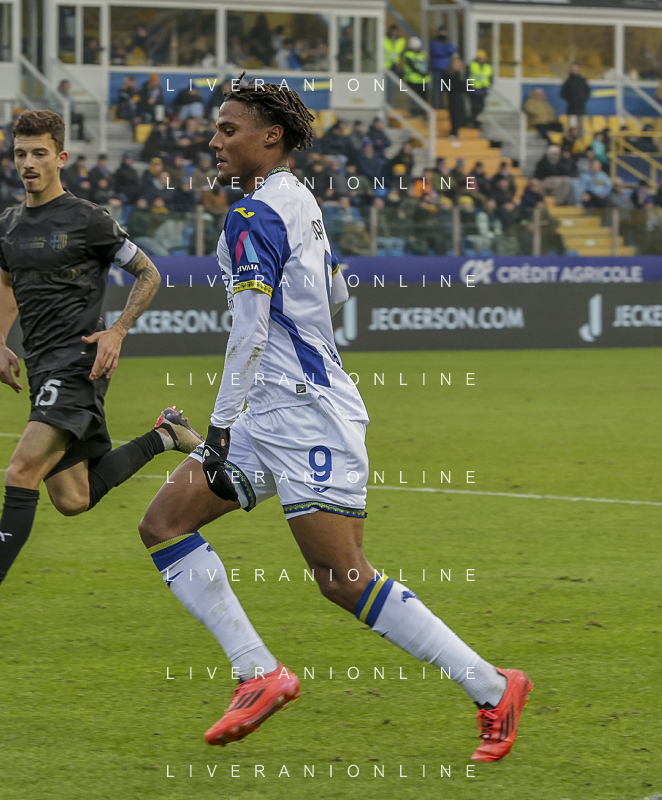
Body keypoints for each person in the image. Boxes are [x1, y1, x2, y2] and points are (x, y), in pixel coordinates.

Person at [133, 79, 532, 759]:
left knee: (342, 578)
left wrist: (221, 425)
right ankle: (258, 673)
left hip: (302, 415)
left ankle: (494, 687)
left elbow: (252, 327)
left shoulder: (253, 214)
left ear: (270, 137)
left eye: (228, 129)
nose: (214, 140)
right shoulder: (297, 198)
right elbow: (336, 290)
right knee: (163, 523)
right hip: (275, 408)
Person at [0, 109, 201, 641]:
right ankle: (166, 434)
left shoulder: (89, 220)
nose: (29, 162)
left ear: (61, 157)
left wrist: (117, 331)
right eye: (21, 153)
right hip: (42, 366)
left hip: (77, 365)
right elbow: (7, 284)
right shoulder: (8, 225)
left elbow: (148, 273)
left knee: (21, 470)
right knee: (73, 499)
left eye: (39, 153)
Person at [428, 26, 456, 108]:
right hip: (436, 68)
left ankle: (443, 105)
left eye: (445, 32)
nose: (443, 33)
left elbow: (453, 50)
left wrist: (446, 48)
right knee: (436, 88)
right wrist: (446, 49)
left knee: (445, 88)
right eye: (442, 31)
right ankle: (436, 105)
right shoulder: (434, 42)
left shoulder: (447, 42)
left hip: (446, 68)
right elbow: (439, 52)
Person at [445, 56, 469, 137]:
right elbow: (446, 87)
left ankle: (459, 131)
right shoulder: (449, 75)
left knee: (461, 115)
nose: (457, 66)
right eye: (455, 64)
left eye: (458, 64)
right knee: (454, 115)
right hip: (452, 97)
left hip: (460, 97)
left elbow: (465, 87)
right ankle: (453, 132)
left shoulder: (462, 75)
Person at [468, 50, 492, 127]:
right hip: (473, 89)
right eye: (480, 58)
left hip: (483, 89)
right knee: (474, 107)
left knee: (481, 107)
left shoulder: (488, 67)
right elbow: (467, 77)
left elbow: (490, 78)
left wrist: (488, 85)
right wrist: (469, 88)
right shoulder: (472, 65)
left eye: (483, 58)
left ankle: (477, 122)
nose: (482, 59)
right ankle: (473, 122)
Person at [402, 37, 428, 105]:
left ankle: (422, 110)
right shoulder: (408, 54)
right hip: (413, 80)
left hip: (423, 80)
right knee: (414, 98)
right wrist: (421, 73)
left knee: (423, 98)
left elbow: (427, 64)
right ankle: (415, 110)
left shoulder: (423, 54)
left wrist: (425, 73)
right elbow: (412, 66)